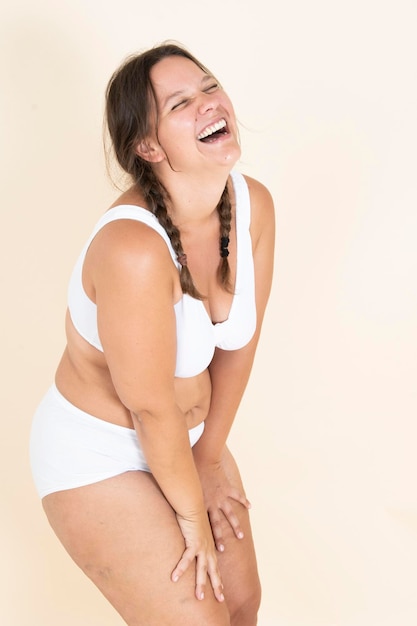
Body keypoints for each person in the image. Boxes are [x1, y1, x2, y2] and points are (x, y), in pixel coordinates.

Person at [30, 41, 275, 626]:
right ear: (148, 146)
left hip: (188, 439)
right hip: (100, 453)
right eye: (180, 103)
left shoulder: (252, 205)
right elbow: (150, 410)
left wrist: (210, 457)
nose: (208, 103)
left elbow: (240, 345)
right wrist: (192, 518)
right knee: (200, 621)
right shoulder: (134, 249)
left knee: (242, 607)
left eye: (209, 86)